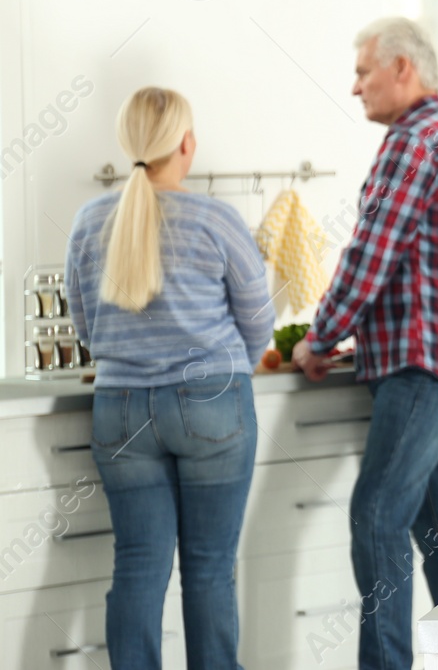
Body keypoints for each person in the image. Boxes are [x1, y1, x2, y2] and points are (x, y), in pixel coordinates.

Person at [294, 17, 438, 669]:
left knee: (376, 520)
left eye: (362, 72)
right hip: (437, 364)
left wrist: (318, 339)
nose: (354, 89)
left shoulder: (413, 141)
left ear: (403, 68)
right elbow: (407, 262)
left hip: (419, 368)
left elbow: (371, 254)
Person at [65, 87, 272, 670]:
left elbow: (84, 323)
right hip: (213, 405)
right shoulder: (215, 217)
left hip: (121, 410)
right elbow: (258, 319)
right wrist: (236, 361)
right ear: (186, 143)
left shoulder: (88, 220)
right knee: (208, 570)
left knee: (137, 566)